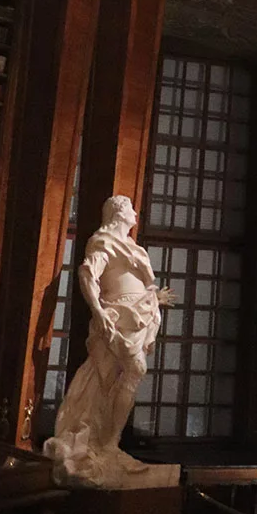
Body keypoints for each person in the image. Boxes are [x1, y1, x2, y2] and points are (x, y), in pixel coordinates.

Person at [44, 196, 176, 487]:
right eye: (130, 208)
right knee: (133, 370)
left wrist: (154, 298)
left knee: (125, 376)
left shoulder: (133, 248)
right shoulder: (103, 240)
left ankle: (109, 442)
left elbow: (138, 284)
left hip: (137, 316)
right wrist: (99, 311)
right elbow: (87, 274)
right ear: (119, 213)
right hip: (118, 317)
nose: (135, 213)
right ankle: (108, 442)